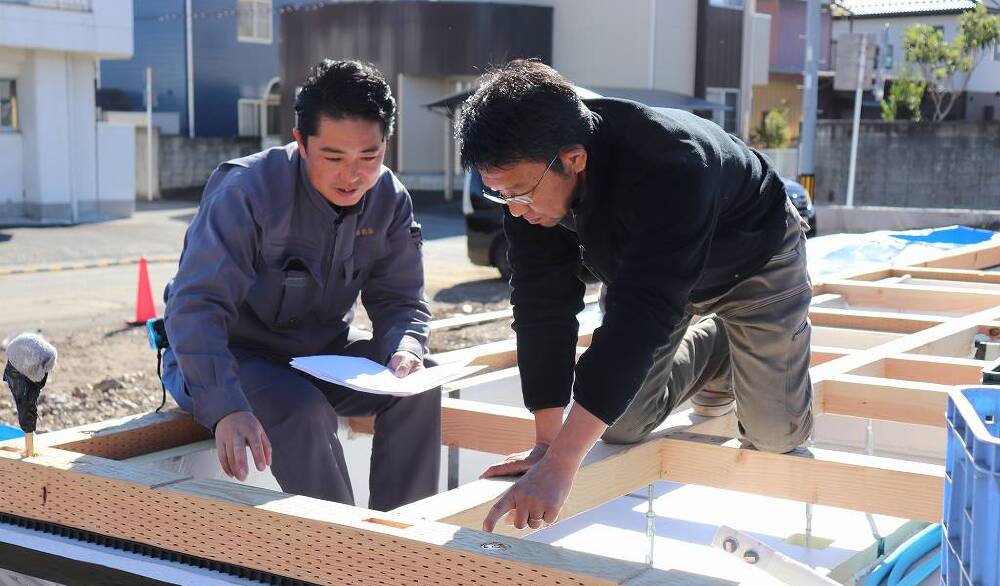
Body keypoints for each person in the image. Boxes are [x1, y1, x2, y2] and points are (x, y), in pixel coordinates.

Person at [455, 60, 813, 532]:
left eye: (519, 192)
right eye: (501, 195)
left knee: (773, 440)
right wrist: (548, 445)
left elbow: (639, 321)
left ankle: (741, 344)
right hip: (651, 275)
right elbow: (542, 307)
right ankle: (720, 351)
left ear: (574, 159)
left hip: (750, 257)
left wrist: (564, 465)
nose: (515, 210)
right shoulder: (531, 193)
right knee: (619, 426)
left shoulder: (670, 164)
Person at [163, 59, 440, 511]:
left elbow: (401, 300)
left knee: (419, 381)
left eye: (368, 157)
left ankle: (405, 538)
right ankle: (342, 559)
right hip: (228, 357)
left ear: (385, 145)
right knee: (300, 408)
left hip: (317, 354)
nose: (352, 175)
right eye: (333, 157)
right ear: (300, 143)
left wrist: (405, 347)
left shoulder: (389, 198)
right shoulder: (247, 191)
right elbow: (196, 307)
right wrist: (225, 408)